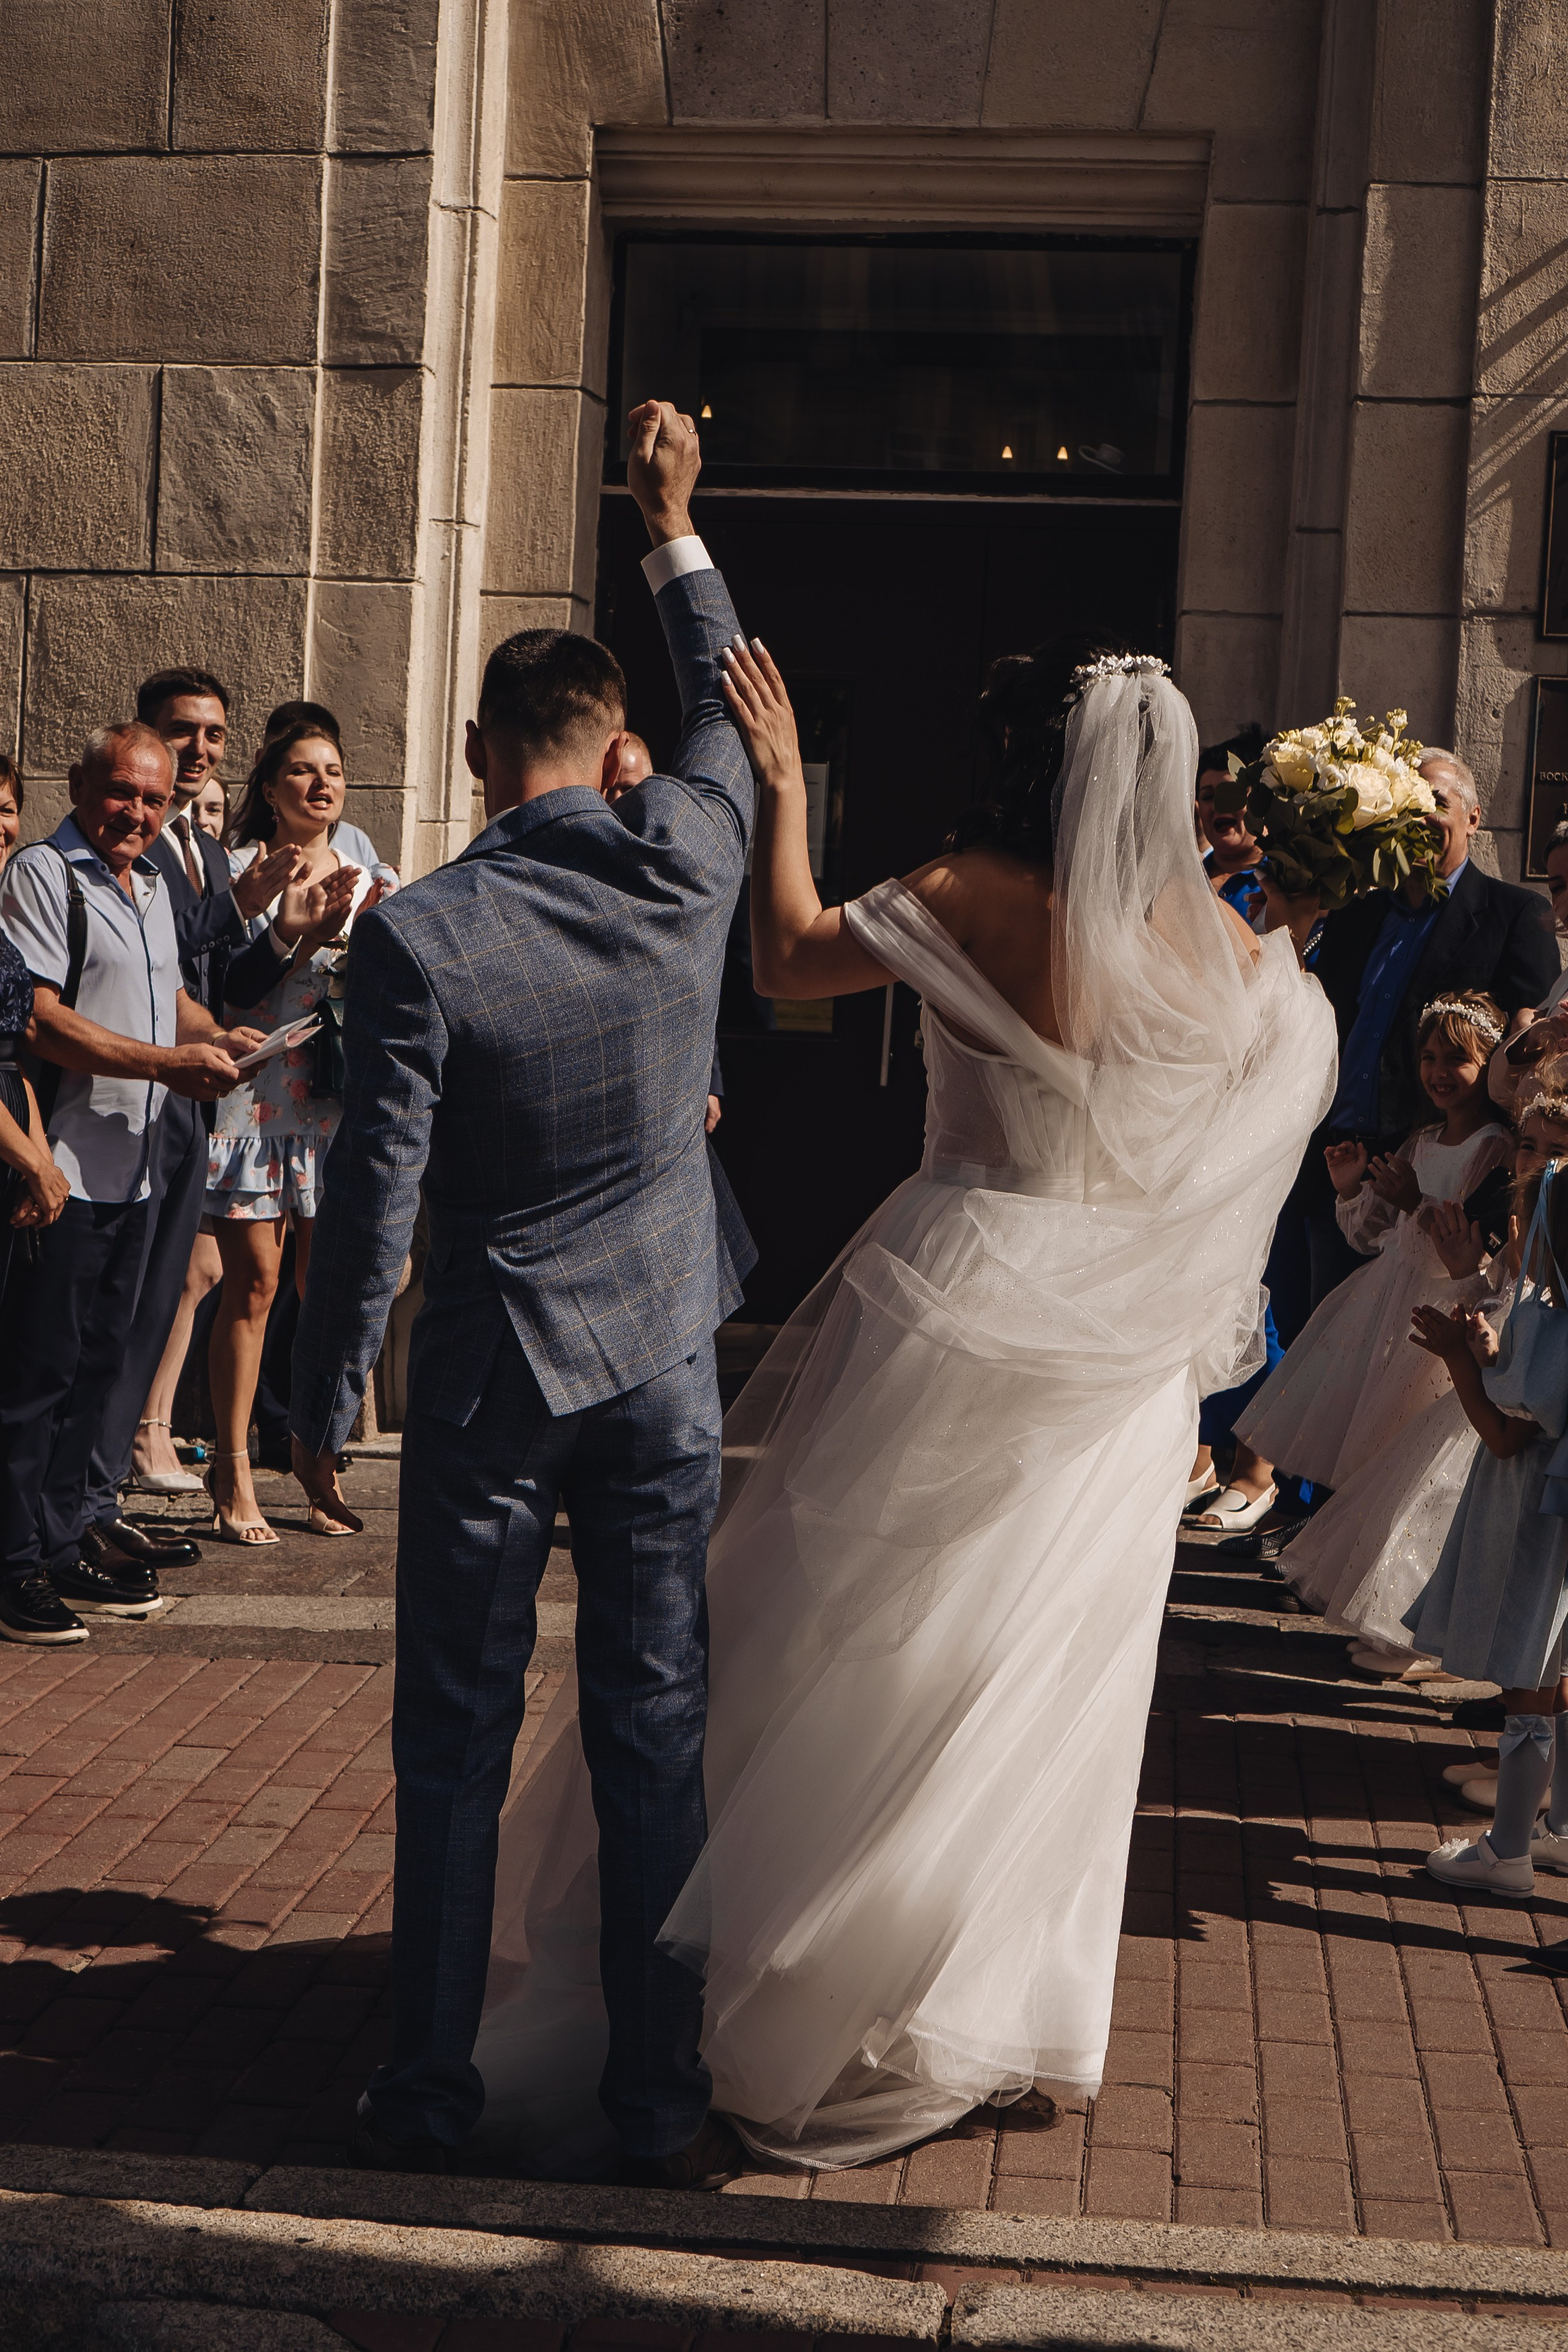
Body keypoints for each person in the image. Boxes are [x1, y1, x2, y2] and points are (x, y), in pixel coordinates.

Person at [468, 622, 1337, 2179]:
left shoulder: (966, 893)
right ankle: (980, 2008)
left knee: (844, 1640)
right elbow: (1261, 1105)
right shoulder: (1218, 947)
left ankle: (789, 1984)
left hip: (962, 1297)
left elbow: (789, 952)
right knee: (1040, 1681)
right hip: (1118, 1353)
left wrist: (789, 782)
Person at [287, 398, 756, 2184]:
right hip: (658, 1367)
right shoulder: (693, 854)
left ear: (482, 749)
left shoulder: (416, 932)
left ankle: (425, 2091)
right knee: (653, 1729)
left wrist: (326, 1399)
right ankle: (652, 2096)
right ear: (609, 745)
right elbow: (727, 708)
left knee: (454, 1742)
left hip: (487, 1374)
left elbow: (375, 1187)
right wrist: (673, 527)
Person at [0, 725, 260, 1644]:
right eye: (122, 794)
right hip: (62, 1171)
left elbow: (167, 995)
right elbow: (37, 1020)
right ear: (79, 784)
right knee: (39, 1377)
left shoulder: (153, 882)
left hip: (139, 1171)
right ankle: (14, 1564)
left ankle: (65, 1539)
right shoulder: (45, 873)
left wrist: (214, 1038)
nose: (138, 814)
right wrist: (166, 1064)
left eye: (154, 801)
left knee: (102, 1369)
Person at [99, 670, 300, 1513]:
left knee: (167, 1290)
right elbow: (158, 962)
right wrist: (239, 906)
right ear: (146, 734)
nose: (202, 751)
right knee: (127, 1293)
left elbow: (222, 980)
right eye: (185, 733)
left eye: (216, 736)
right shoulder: (132, 835)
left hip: (197, 1093)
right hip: (133, 1089)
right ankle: (97, 1485)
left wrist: (289, 930)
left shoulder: (207, 848)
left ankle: (102, 1486)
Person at [1287, 751, 1557, 1315]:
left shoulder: (1515, 915)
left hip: (1442, 1181)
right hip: (1337, 1166)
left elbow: (1534, 1066)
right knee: (1317, 1340)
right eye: (1406, 803)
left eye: (1435, 802)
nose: (1420, 817)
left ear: (1474, 818)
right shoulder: (1358, 915)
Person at [203, 722, 379, 1544]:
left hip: (335, 1104)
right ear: (269, 789)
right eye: (302, 773)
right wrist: (296, 929)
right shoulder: (239, 873)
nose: (321, 785)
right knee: (257, 1286)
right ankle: (232, 1467)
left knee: (326, 1289)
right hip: (256, 1099)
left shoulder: (368, 868)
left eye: (334, 772)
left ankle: (318, 1460)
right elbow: (228, 990)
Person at [1410, 1153, 1568, 1899]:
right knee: (1561, 1674)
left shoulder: (1552, 1317)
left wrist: (1459, 1363)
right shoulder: (1547, 1314)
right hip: (1554, 1514)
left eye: (1528, 1220)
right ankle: (1561, 1830)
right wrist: (1493, 1350)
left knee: (1527, 1683)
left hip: (1533, 1519)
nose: (1515, 1231)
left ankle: (1507, 1850)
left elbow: (1508, 1436)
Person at [0, 756, 70, 1311]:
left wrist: (40, 1159)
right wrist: (35, 1165)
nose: (0, 825)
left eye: (6, 810)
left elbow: (12, 1058)